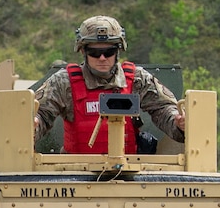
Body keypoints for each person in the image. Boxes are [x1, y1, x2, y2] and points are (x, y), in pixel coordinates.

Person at [33, 15, 185, 153]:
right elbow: (41, 113)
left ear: (118, 51)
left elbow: (163, 109)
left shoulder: (138, 79)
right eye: (94, 52)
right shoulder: (63, 82)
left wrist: (178, 123)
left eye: (109, 51)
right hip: (77, 172)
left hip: (128, 171)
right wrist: (33, 125)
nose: (102, 58)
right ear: (83, 52)